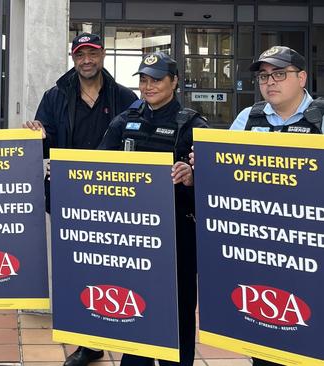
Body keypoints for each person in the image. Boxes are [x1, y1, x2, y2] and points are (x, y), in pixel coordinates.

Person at [24, 33, 137, 366]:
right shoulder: (56, 95)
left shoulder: (125, 97)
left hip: (114, 199)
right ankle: (88, 343)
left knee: (112, 269)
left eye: (92, 53)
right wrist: (37, 137)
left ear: (101, 55)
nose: (86, 59)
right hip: (68, 197)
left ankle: (117, 329)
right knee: (76, 271)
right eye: (80, 54)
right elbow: (44, 144)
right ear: (73, 58)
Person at [98, 51, 208, 366]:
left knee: (177, 323)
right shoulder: (124, 122)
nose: (148, 86)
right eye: (144, 79)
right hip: (133, 240)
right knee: (135, 317)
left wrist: (191, 177)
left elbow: (215, 186)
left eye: (156, 79)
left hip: (177, 241)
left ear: (174, 82)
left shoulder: (192, 125)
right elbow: (97, 169)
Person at [225, 46, 319, 366]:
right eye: (264, 76)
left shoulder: (320, 120)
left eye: (280, 74)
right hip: (261, 249)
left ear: (302, 77)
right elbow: (226, 175)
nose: (270, 82)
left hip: (309, 252)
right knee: (265, 336)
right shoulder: (247, 118)